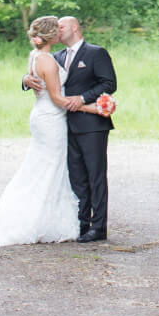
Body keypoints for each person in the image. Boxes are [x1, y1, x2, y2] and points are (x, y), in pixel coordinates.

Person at [0, 16, 79, 248]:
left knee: (42, 168)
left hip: (42, 115)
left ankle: (46, 218)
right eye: (58, 30)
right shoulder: (48, 62)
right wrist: (87, 104)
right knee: (48, 168)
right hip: (51, 118)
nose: (62, 32)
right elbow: (57, 98)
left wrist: (25, 79)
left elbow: (34, 80)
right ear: (52, 36)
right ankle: (38, 221)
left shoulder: (35, 56)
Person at [53, 14, 117, 243]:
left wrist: (82, 98)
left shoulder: (95, 53)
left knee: (95, 176)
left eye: (61, 26)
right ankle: (81, 224)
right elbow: (42, 74)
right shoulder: (56, 56)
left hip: (92, 125)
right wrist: (24, 79)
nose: (57, 30)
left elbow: (109, 83)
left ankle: (98, 227)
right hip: (65, 125)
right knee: (76, 177)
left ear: (75, 27)